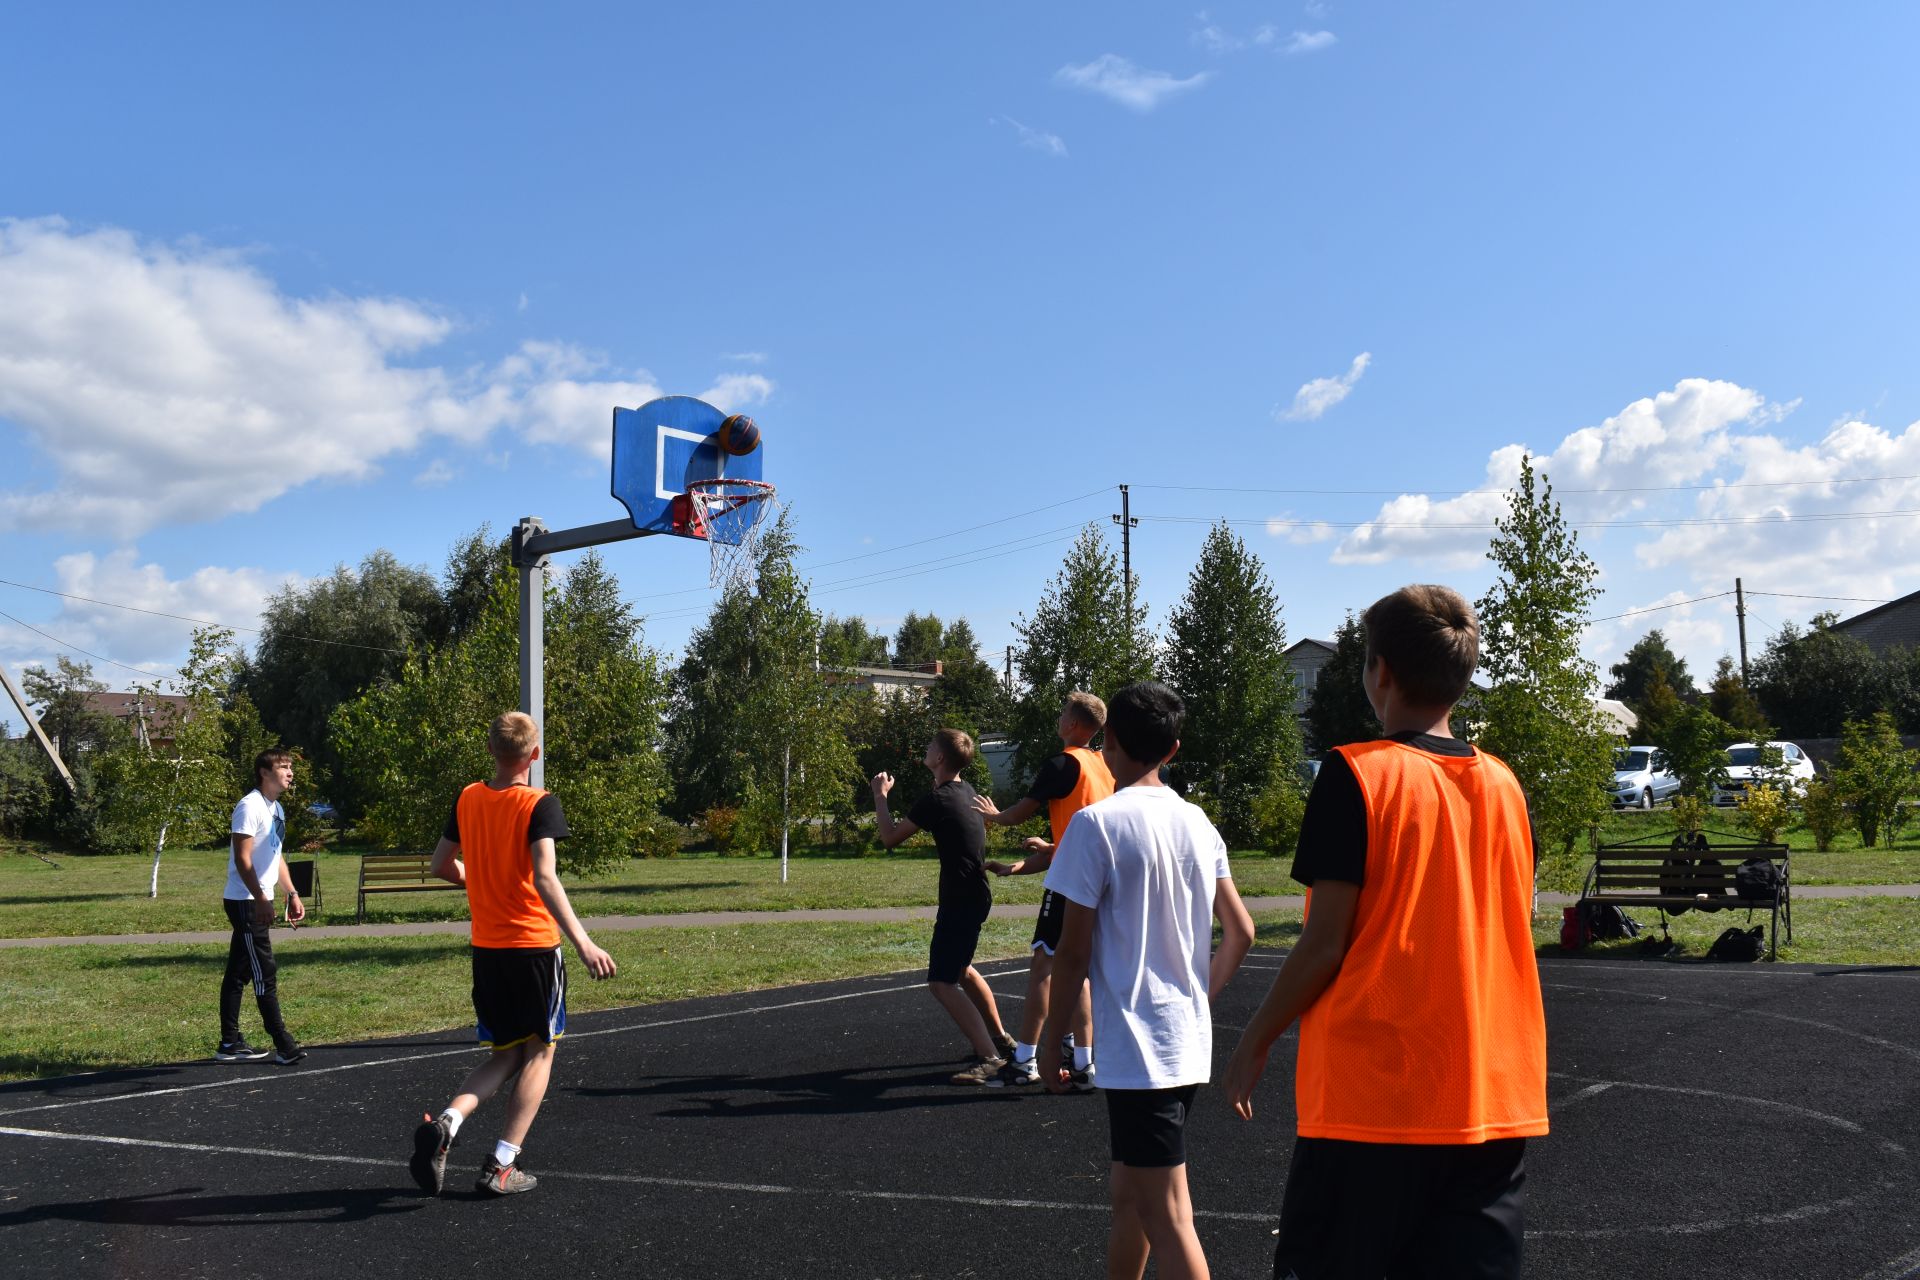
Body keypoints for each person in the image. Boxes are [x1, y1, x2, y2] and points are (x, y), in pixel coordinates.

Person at [1223, 585, 1547, 1280]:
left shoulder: (1356, 773)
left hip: (1376, 1104)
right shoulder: (1506, 786)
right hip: (1490, 1098)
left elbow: (1324, 944)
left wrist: (1255, 1038)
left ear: (1381, 673)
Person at [1040, 681, 1256, 1280]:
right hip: (1179, 1042)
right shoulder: (1195, 821)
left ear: (1108, 741)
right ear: (1174, 748)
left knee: (1167, 1215)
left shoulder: (1094, 825)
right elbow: (1240, 932)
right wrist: (1194, 999)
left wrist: (1054, 1039)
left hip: (1142, 1049)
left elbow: (1072, 953)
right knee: (1130, 1197)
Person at [409, 711, 617, 1198]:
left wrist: (478, 879)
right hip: (534, 947)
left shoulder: (468, 797)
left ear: (490, 750)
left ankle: (448, 1121)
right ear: (535, 754)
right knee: (541, 1052)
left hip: (488, 950)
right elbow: (545, 877)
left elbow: (441, 864)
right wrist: (585, 942)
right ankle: (502, 1163)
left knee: (504, 1053)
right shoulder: (540, 804)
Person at [974, 691, 1114, 1089]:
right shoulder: (1103, 765)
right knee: (1080, 971)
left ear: (1072, 723)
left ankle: (1024, 1060)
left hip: (1071, 884)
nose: (1058, 718)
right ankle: (1085, 1063)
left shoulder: (1061, 764)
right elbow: (1076, 839)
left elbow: (1022, 811)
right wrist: (1019, 867)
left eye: (1062, 713)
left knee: (1044, 968)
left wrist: (993, 816)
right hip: (1099, 879)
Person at [872, 728, 1017, 1085]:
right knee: (963, 969)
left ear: (939, 759)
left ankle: (990, 1058)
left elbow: (889, 837)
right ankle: (1001, 1039)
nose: (925, 747)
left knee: (941, 982)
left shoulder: (935, 801)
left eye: (930, 745)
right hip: (975, 893)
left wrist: (880, 796)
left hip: (961, 898)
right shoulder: (964, 792)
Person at [216, 748, 307, 1065]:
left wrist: (292, 892)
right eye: (284, 766)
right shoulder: (249, 806)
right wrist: (261, 898)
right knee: (263, 971)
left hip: (258, 898)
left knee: (239, 971)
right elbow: (242, 860)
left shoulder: (276, 808)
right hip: (245, 901)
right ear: (264, 772)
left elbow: (275, 853)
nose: (290, 772)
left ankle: (229, 1043)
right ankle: (284, 1044)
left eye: (290, 767)